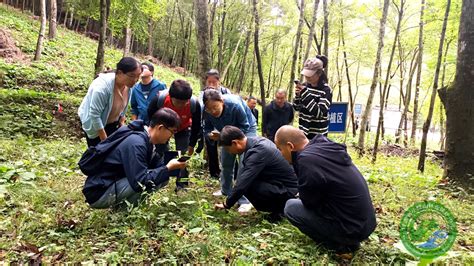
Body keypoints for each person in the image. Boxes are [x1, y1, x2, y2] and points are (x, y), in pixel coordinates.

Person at [274, 126, 376, 253]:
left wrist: (303, 194)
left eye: (280, 149)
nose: (280, 154)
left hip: (351, 228)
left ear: (290, 146)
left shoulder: (306, 160)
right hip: (366, 223)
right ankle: (347, 239)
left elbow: (309, 202)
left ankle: (342, 245)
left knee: (291, 207)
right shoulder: (322, 146)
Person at [82, 108, 187, 209]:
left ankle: (124, 209)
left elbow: (155, 166)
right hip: (99, 192)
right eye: (172, 132)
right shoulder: (137, 143)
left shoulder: (146, 140)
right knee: (150, 180)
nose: (171, 136)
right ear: (160, 128)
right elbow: (140, 182)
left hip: (112, 183)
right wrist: (167, 168)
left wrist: (172, 166)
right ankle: (124, 213)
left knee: (162, 177)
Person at [214, 126, 297, 220]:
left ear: (235, 143)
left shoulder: (257, 152)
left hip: (289, 191)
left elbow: (242, 183)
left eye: (228, 149)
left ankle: (280, 211)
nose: (230, 153)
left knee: (248, 185)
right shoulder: (255, 141)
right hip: (281, 185)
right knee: (248, 181)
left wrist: (227, 204)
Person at [202, 89, 257, 213]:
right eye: (209, 109)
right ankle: (226, 189)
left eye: (215, 107)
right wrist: (210, 135)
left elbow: (245, 126)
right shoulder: (205, 111)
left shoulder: (235, 105)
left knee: (244, 165)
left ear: (222, 101)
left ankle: (245, 200)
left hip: (246, 130)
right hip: (225, 133)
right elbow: (206, 128)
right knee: (226, 162)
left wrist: (223, 135)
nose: (213, 112)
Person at [147, 79, 201, 191]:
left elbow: (196, 125)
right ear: (171, 96)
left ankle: (182, 185)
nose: (182, 105)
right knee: (161, 153)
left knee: (183, 156)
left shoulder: (194, 104)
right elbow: (151, 117)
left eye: (185, 102)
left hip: (183, 129)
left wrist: (192, 144)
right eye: (178, 102)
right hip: (163, 129)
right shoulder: (160, 99)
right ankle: (160, 179)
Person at [78, 57, 142, 147]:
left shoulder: (128, 87)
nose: (135, 80)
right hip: (94, 123)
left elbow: (122, 109)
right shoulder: (102, 88)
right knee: (97, 152)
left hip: (112, 122)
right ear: (119, 72)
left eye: (138, 76)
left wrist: (121, 126)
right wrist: (105, 141)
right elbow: (95, 115)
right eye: (132, 76)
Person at [201, 69, 232, 179]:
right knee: (211, 148)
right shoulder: (203, 94)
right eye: (209, 82)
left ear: (219, 82)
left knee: (228, 148)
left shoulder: (225, 93)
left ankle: (232, 173)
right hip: (210, 124)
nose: (211, 85)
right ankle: (214, 173)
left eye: (214, 82)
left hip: (224, 125)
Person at [293, 55, 333, 138]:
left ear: (319, 73)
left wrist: (304, 93)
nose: (307, 77)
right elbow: (297, 108)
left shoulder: (326, 90)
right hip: (303, 133)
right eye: (306, 74)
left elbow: (319, 113)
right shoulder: (304, 86)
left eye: (310, 74)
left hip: (318, 136)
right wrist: (297, 96)